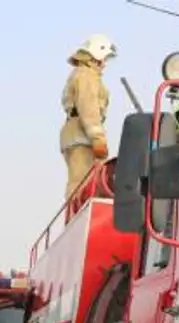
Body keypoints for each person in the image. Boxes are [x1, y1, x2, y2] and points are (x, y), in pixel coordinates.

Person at [60, 34, 117, 200]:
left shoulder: (81, 74)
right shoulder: (87, 76)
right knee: (82, 184)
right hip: (81, 135)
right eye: (105, 58)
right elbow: (88, 108)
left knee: (85, 181)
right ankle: (76, 216)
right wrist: (98, 138)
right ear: (97, 55)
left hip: (77, 133)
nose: (105, 64)